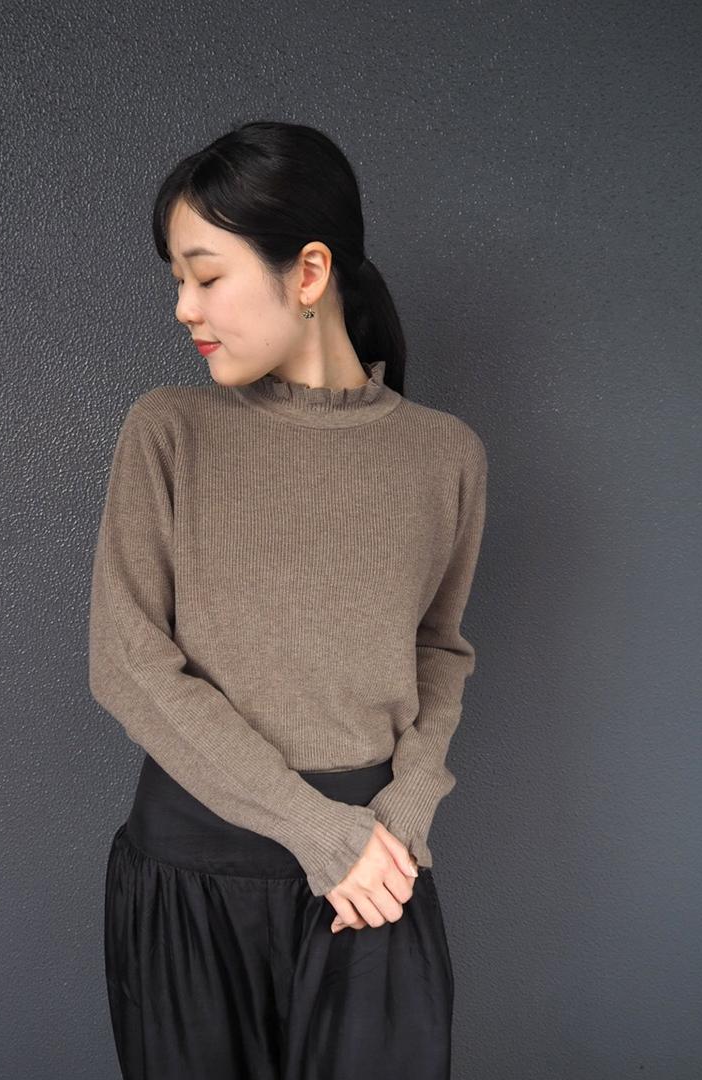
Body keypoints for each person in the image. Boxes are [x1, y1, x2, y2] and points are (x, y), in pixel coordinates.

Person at [88, 120, 488, 1080]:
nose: (184, 307)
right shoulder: (169, 430)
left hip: (375, 871)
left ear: (309, 272)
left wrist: (405, 811)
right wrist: (318, 831)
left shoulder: (445, 455)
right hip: (194, 883)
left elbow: (439, 649)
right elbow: (128, 665)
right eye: (177, 280)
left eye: (205, 275)